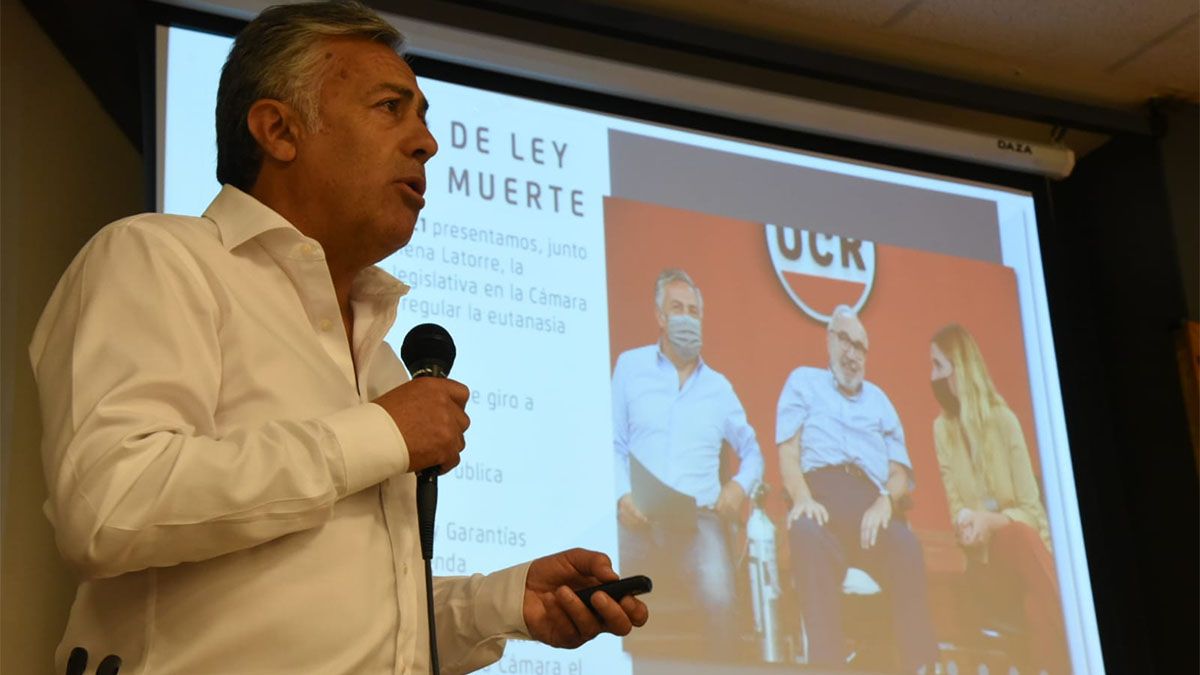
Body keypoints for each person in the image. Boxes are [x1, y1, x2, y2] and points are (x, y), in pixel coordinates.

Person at [29, 2, 646, 673]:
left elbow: (346, 621)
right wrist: (377, 434)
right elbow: (110, 506)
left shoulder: (378, 358)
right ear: (278, 130)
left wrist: (503, 603)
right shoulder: (161, 260)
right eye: (391, 107)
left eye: (424, 118)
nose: (427, 143)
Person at [611, 268, 764, 658]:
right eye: (677, 308)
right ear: (660, 317)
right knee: (597, 582)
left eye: (693, 311)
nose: (686, 318)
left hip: (699, 522)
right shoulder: (631, 367)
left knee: (719, 595)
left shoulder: (719, 388)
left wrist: (738, 487)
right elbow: (612, 442)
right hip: (637, 516)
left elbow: (754, 453)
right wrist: (622, 496)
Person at [776, 305, 937, 673]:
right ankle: (828, 667)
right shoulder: (803, 382)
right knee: (804, 531)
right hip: (822, 501)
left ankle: (919, 667)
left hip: (871, 508)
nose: (852, 353)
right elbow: (788, 454)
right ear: (829, 340)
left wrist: (885, 502)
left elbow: (898, 473)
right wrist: (802, 498)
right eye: (845, 340)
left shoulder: (880, 401)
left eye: (860, 346)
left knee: (906, 547)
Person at [929, 323, 1069, 673]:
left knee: (1038, 610)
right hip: (983, 562)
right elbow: (955, 507)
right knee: (1017, 537)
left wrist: (992, 521)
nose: (931, 376)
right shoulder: (941, 430)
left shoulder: (1005, 422)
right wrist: (967, 522)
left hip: (1026, 556)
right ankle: (1077, 628)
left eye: (938, 366)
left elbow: (1032, 513)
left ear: (959, 370)